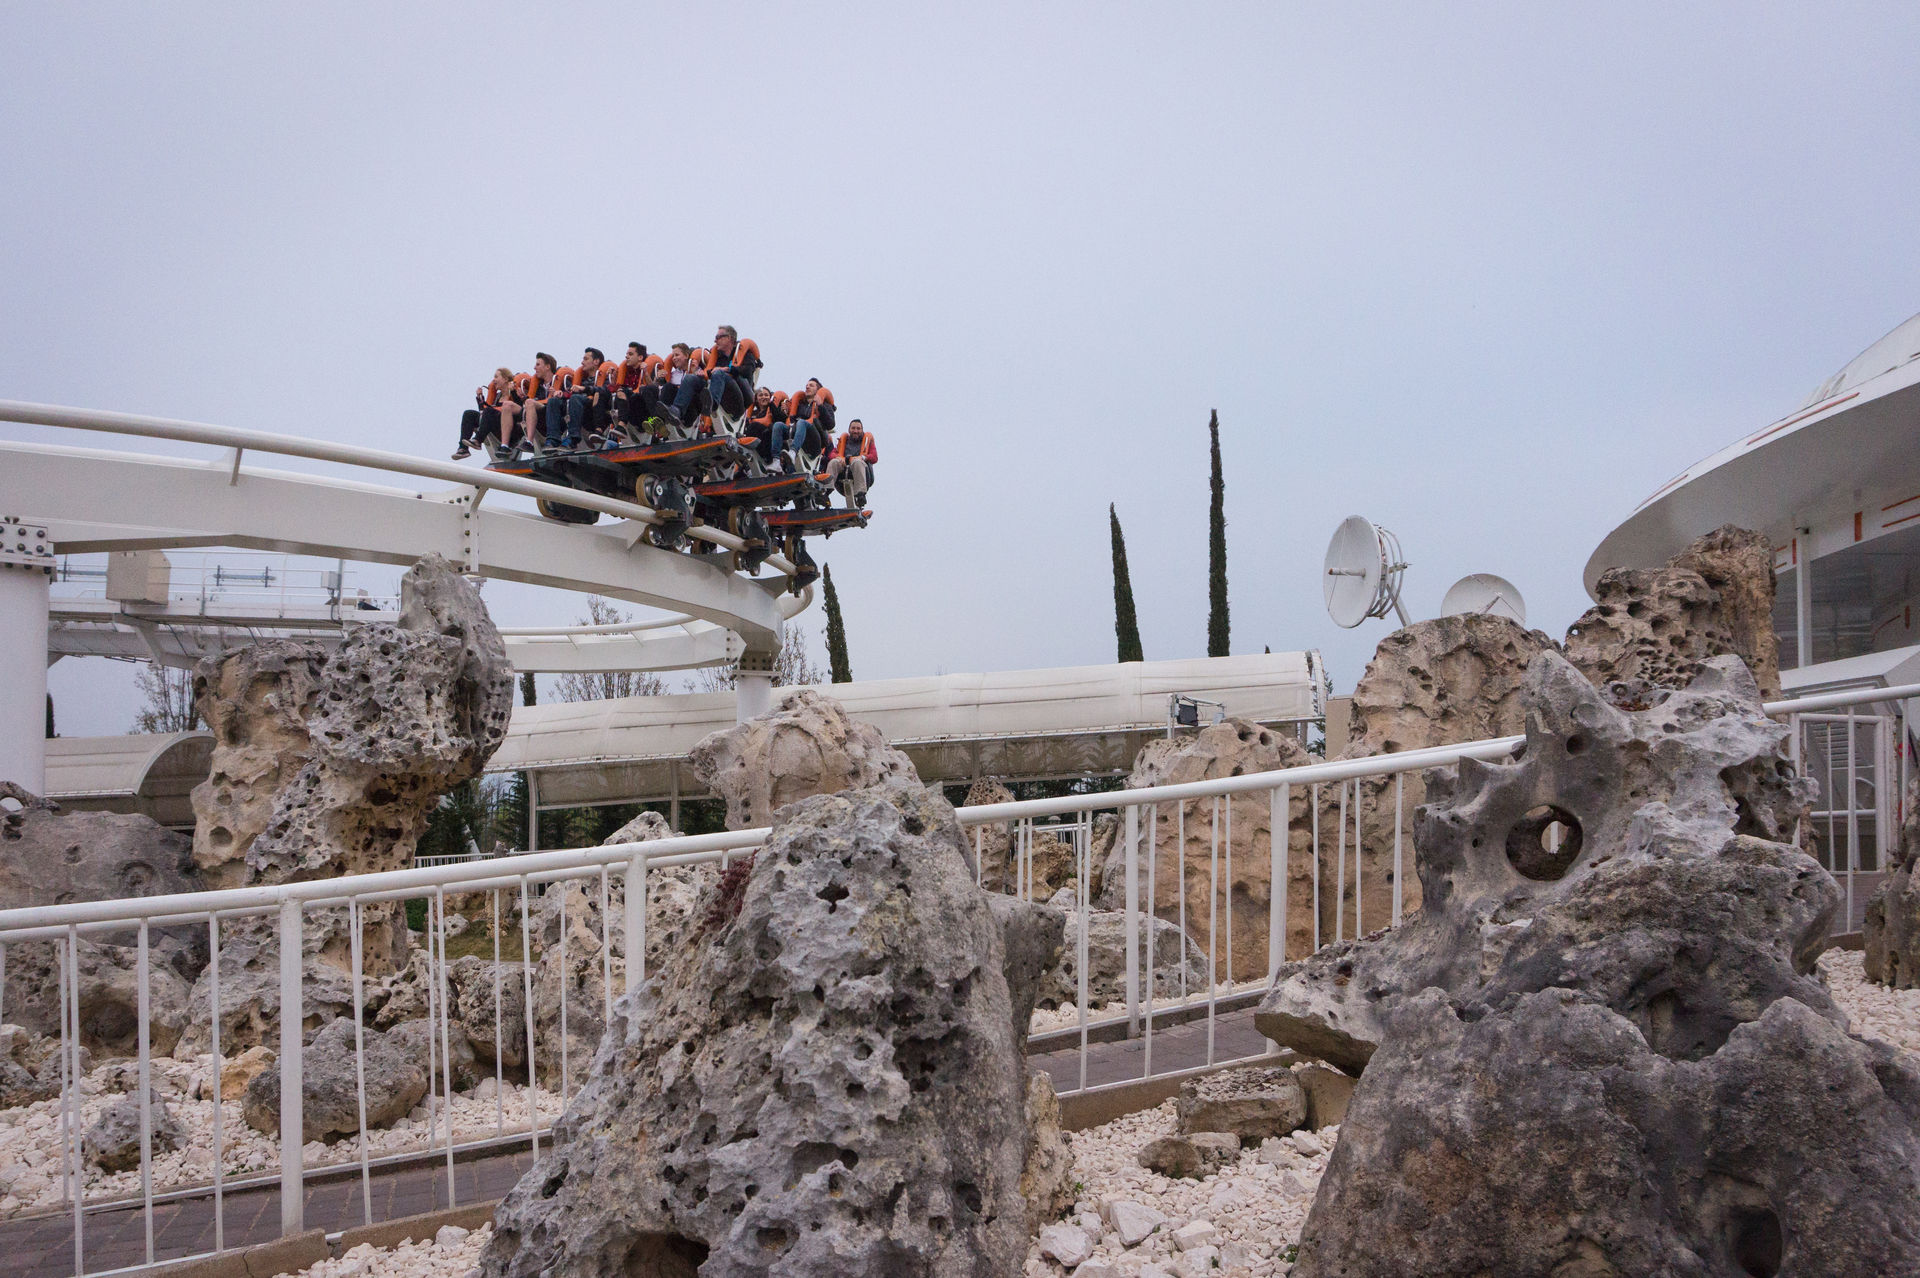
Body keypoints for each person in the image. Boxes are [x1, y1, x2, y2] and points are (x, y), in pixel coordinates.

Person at [701, 325, 763, 420]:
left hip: (742, 396)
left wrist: (728, 369)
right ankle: (679, 411)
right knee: (692, 379)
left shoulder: (745, 354)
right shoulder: (718, 358)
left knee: (719, 373)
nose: (715, 341)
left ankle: (712, 405)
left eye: (718, 337)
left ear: (729, 338)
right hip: (725, 398)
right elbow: (711, 373)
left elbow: (747, 371)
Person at [455, 368, 514, 459]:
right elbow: (484, 413)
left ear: (505, 379)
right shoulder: (497, 396)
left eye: (496, 377)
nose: (494, 380)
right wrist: (480, 399)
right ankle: (463, 449)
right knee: (469, 414)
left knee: (489, 411)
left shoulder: (513, 394)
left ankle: (478, 440)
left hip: (508, 428)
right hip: (493, 423)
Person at [822, 418, 877, 508]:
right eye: (853, 428)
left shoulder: (867, 441)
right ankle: (825, 492)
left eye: (858, 429)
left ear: (862, 430)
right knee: (833, 462)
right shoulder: (843, 441)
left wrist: (863, 457)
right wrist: (839, 457)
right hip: (844, 470)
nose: (855, 431)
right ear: (849, 430)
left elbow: (874, 457)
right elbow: (832, 454)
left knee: (857, 462)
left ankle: (860, 495)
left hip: (861, 472)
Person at [742, 386, 787, 464]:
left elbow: (782, 419)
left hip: (768, 440)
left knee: (755, 426)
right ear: (756, 399)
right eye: (761, 395)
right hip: (755, 441)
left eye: (766, 395)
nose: (764, 397)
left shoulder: (774, 409)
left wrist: (773, 405)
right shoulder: (753, 414)